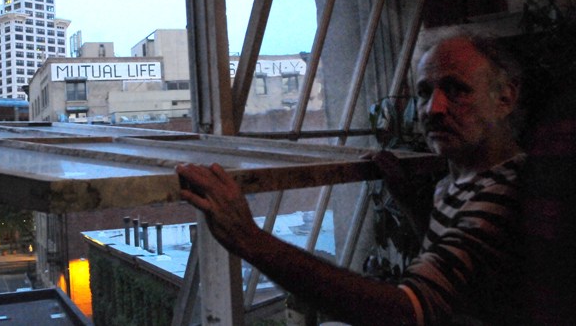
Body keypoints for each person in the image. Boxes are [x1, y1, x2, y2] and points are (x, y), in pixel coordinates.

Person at [176, 35, 526, 325]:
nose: (434, 108)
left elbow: (407, 312)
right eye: (424, 92)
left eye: (456, 90)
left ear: (505, 97)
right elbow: (456, 273)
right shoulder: (457, 182)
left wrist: (249, 239)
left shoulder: (503, 194)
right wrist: (409, 200)